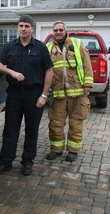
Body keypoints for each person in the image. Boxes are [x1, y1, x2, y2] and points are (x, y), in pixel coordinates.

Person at [0, 15, 53, 176]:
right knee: (10, 130)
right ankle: (6, 162)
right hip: (14, 95)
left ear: (32, 28)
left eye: (26, 26)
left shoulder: (40, 48)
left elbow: (49, 71)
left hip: (34, 95)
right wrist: (11, 72)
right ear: (18, 28)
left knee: (31, 130)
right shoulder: (10, 46)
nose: (23, 28)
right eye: (21, 26)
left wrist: (44, 96)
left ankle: (27, 162)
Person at [45, 21, 93, 162]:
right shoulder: (47, 47)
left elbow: (87, 64)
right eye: (55, 30)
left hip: (78, 92)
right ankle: (56, 149)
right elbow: (45, 69)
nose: (58, 32)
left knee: (75, 123)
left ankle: (73, 150)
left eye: (60, 29)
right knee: (55, 123)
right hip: (58, 93)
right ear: (53, 32)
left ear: (66, 30)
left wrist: (88, 83)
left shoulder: (77, 44)